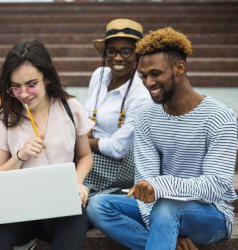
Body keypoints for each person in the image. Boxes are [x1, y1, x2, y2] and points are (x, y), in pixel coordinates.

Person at [87, 27, 238, 249]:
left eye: (155, 74)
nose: (148, 83)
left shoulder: (220, 117)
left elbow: (216, 186)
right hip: (158, 208)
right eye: (143, 76)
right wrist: (163, 226)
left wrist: (159, 187)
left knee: (166, 207)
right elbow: (145, 180)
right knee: (98, 205)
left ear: (180, 68)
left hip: (211, 214)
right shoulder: (147, 116)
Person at [0, 39, 94, 250]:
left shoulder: (70, 108)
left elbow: (86, 156)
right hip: (19, 209)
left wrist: (77, 182)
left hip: (60, 207)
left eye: (31, 84)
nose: (23, 94)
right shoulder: (6, 118)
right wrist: (20, 156)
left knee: (77, 215)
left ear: (47, 79)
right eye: (15, 87)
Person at [84, 18, 151, 196]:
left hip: (122, 163)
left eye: (126, 52)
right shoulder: (99, 75)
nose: (117, 58)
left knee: (71, 167)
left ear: (138, 54)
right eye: (111, 51)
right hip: (91, 150)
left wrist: (81, 143)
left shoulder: (141, 94)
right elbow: (85, 118)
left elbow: (119, 148)